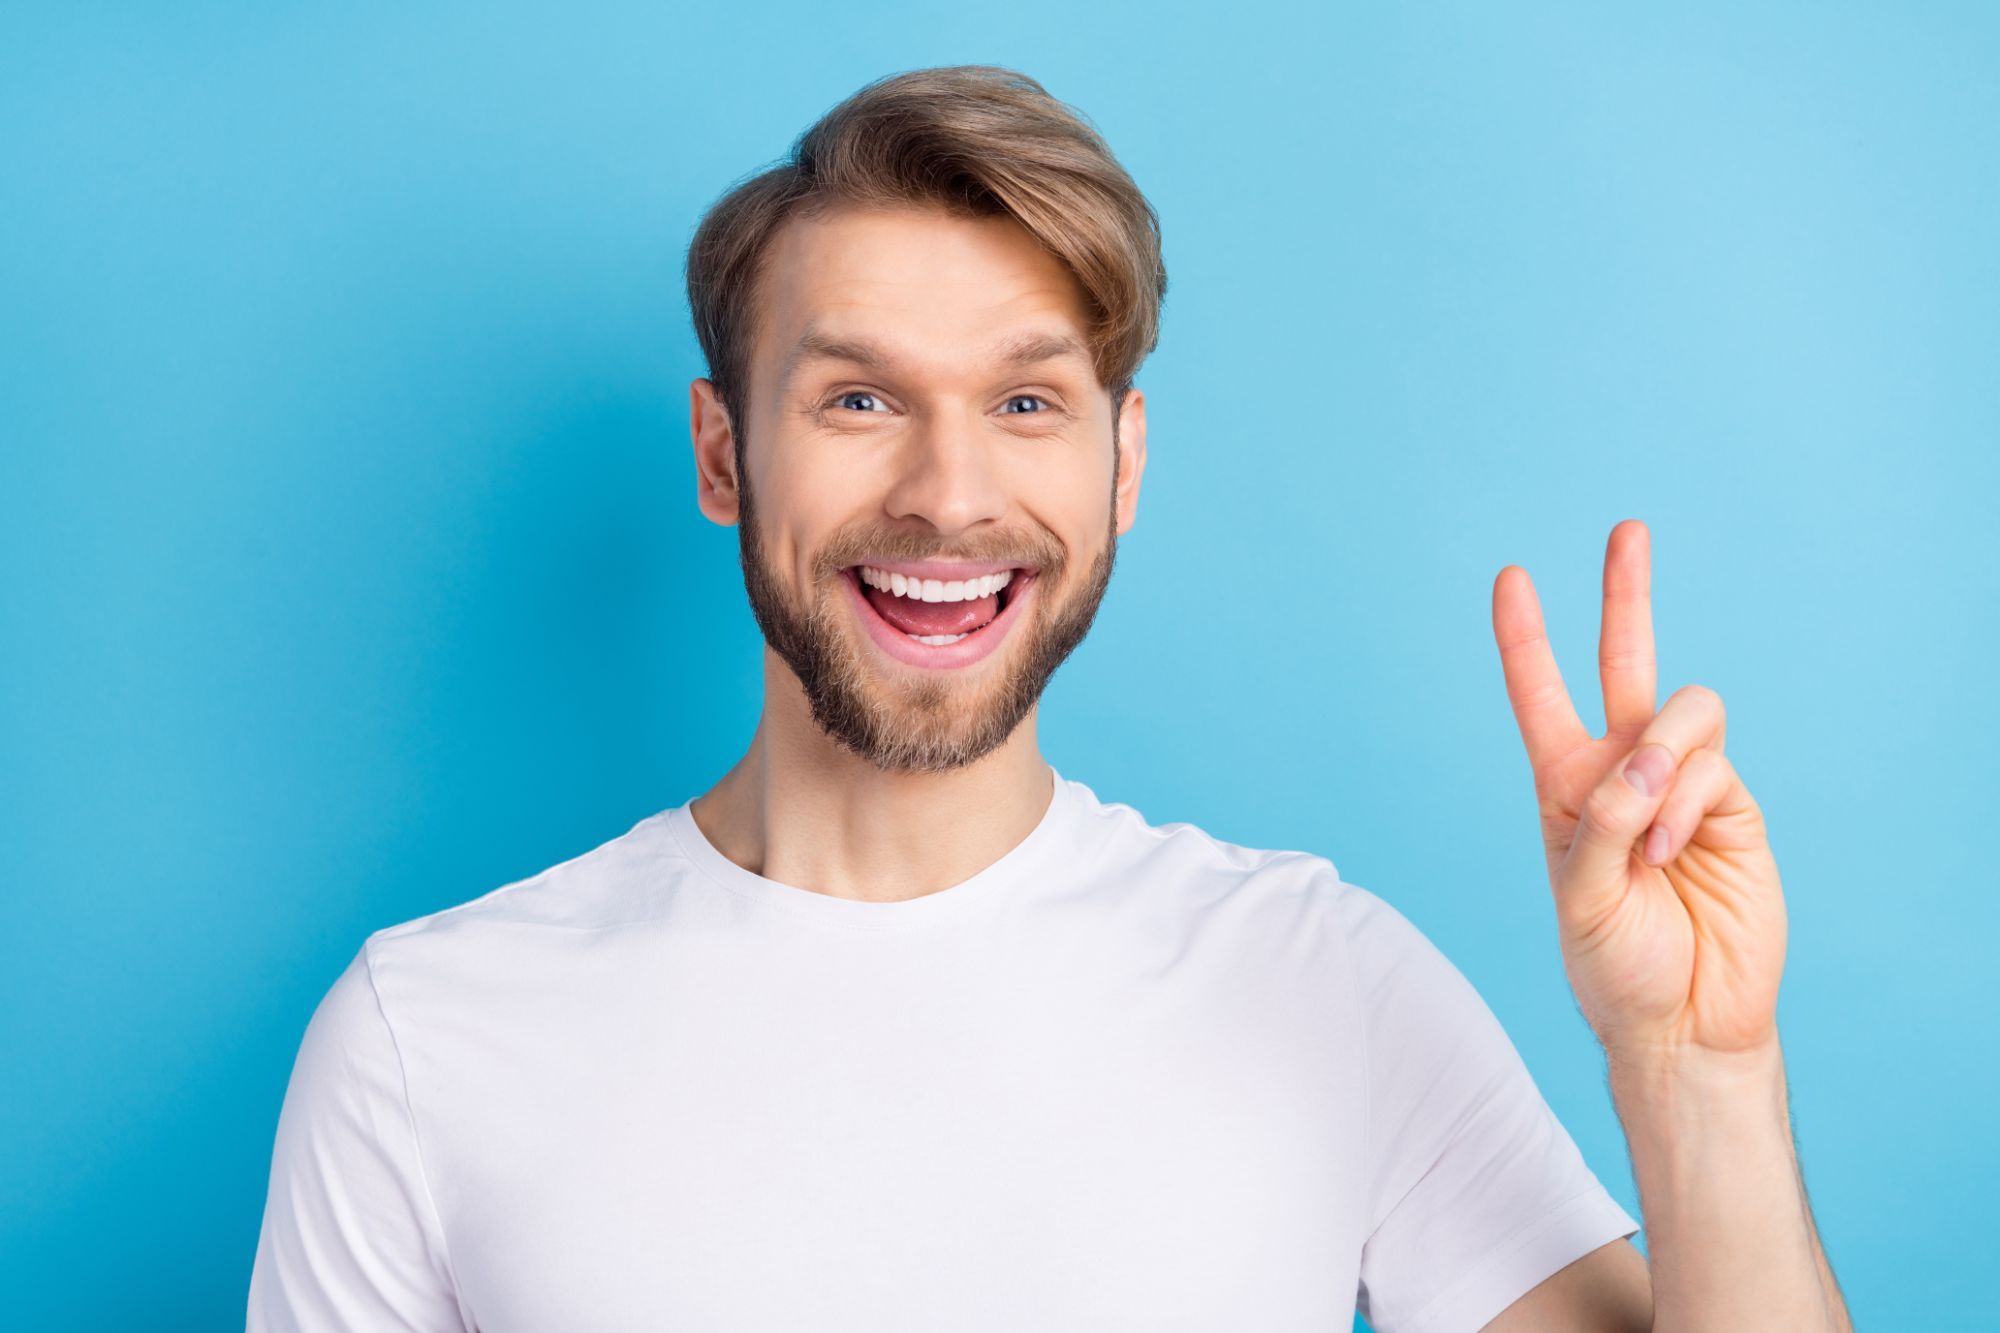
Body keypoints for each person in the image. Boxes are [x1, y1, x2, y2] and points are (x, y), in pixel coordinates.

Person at [247, 65, 1850, 1332]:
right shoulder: (421, 1037)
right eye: (859, 397)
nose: (949, 495)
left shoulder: (1322, 980)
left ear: (1122, 463)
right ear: (724, 454)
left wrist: (1699, 1072)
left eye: (1025, 400)